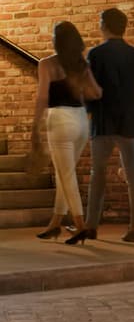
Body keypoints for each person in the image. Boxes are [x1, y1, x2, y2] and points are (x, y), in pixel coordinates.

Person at [75, 8, 134, 245]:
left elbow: (89, 87)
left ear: (104, 25)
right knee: (133, 174)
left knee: (98, 175)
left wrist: (88, 112)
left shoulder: (95, 54)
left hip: (103, 118)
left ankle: (92, 225)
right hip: (129, 119)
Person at [29, 22, 103, 243]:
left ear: (56, 40)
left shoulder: (47, 64)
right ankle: (55, 223)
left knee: (66, 175)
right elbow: (97, 93)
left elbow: (43, 96)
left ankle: (81, 226)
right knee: (65, 173)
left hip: (59, 120)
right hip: (81, 120)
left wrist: (35, 126)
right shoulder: (82, 65)